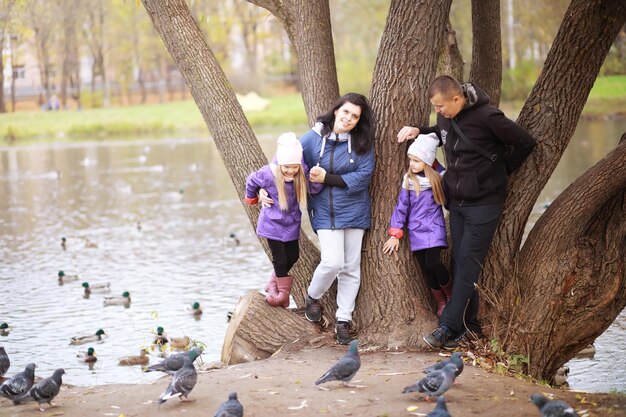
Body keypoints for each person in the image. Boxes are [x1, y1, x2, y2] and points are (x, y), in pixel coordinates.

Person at [397, 75, 536, 349]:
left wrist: (501, 171)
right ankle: (469, 327)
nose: (438, 111)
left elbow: (525, 142)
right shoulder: (446, 118)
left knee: (468, 265)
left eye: (440, 106)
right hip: (457, 202)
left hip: (484, 204)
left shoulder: (488, 117)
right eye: (435, 107)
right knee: (461, 264)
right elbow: (444, 133)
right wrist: (420, 130)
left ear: (457, 99)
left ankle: (447, 327)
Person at [300, 92, 375, 345]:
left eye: (355, 116)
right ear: (336, 110)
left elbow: (364, 176)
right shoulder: (312, 139)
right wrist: (265, 187)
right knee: (333, 262)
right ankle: (312, 296)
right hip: (324, 211)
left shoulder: (362, 142)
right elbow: (290, 163)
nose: (349, 119)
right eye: (346, 112)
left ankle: (343, 320)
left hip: (355, 210)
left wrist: (327, 179)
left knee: (351, 269)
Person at [244, 132, 323, 308]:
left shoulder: (301, 175)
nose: (290, 171)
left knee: (293, 255)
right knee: (280, 259)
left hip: (292, 224)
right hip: (272, 224)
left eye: (294, 167)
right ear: (280, 164)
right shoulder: (268, 174)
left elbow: (313, 189)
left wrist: (317, 180)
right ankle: (282, 295)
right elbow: (251, 180)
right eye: (286, 167)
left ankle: (273, 282)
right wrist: (253, 196)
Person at [382, 133, 451, 317]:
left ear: (427, 162)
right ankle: (441, 302)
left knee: (433, 263)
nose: (412, 164)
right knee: (426, 270)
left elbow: (439, 167)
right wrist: (395, 234)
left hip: (434, 228)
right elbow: (401, 208)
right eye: (410, 160)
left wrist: (428, 152)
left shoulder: (437, 178)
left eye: (417, 161)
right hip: (416, 231)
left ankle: (451, 295)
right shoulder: (409, 181)